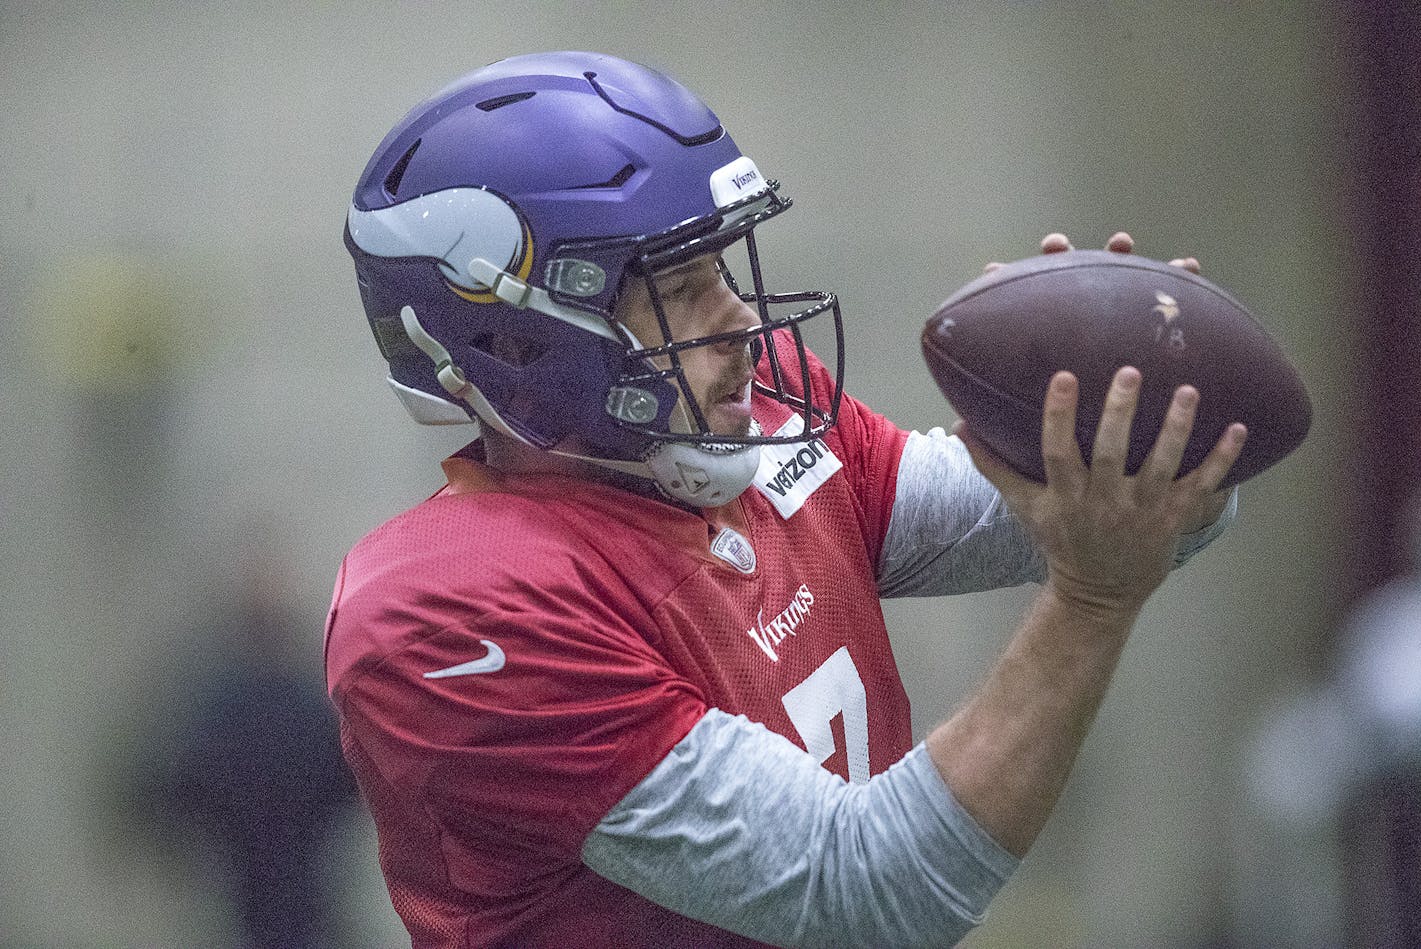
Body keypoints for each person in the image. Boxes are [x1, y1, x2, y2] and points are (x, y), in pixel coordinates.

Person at [325, 51, 1245, 948]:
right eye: (682, 287)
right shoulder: (452, 616)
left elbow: (1075, 520)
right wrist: (1092, 604)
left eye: (723, 269)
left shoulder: (746, 420)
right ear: (518, 344)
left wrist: (1140, 412)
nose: (741, 321)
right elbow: (868, 892)